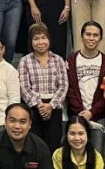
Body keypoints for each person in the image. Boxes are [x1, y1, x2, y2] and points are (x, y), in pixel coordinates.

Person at [19, 23, 68, 152]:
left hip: (54, 107)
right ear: (31, 42)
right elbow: (24, 87)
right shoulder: (25, 61)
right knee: (34, 147)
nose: (40, 42)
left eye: (43, 37)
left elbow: (63, 85)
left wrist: (51, 105)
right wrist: (39, 105)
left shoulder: (58, 60)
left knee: (53, 146)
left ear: (49, 39)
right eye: (36, 39)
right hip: (34, 108)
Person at [67, 21, 105, 153]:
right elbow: (69, 90)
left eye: (95, 35)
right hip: (77, 116)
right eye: (88, 34)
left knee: (97, 154)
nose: (91, 38)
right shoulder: (71, 60)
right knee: (75, 154)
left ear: (100, 38)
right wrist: (81, 113)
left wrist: (91, 112)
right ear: (82, 36)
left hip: (98, 117)